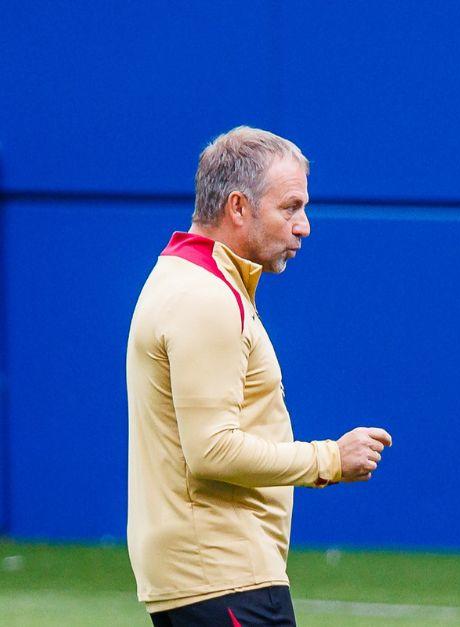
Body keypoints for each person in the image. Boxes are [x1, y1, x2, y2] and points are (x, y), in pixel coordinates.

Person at [126, 126, 392, 626]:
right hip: (223, 577)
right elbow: (211, 450)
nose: (304, 226)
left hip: (208, 575)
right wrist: (331, 458)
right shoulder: (203, 297)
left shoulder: (187, 279)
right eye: (290, 208)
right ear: (238, 208)